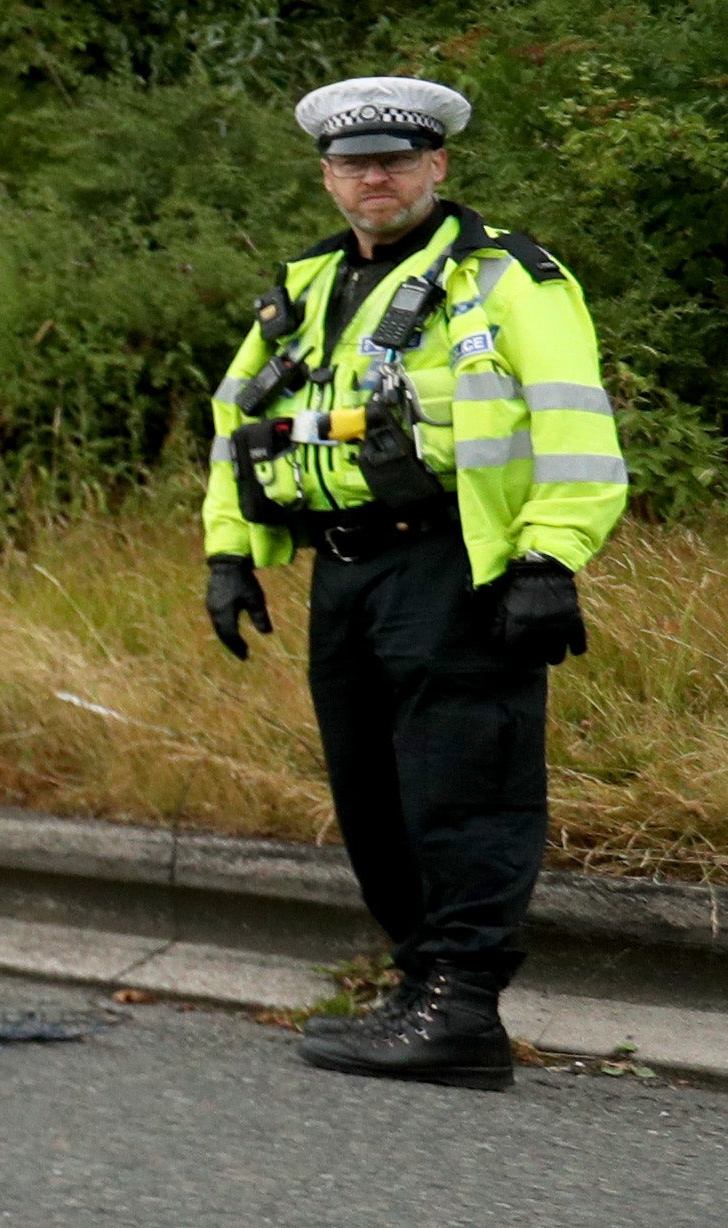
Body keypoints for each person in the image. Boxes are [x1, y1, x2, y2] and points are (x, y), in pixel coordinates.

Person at [204, 76, 630, 1085]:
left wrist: (548, 558)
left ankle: (465, 1013)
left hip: (459, 564)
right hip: (345, 569)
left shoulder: (507, 277)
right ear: (327, 179)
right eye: (355, 165)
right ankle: (417, 986)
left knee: (464, 790)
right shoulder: (304, 288)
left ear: (437, 166)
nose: (375, 179)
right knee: (373, 794)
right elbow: (240, 421)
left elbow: (574, 425)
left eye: (396, 160)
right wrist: (231, 552)